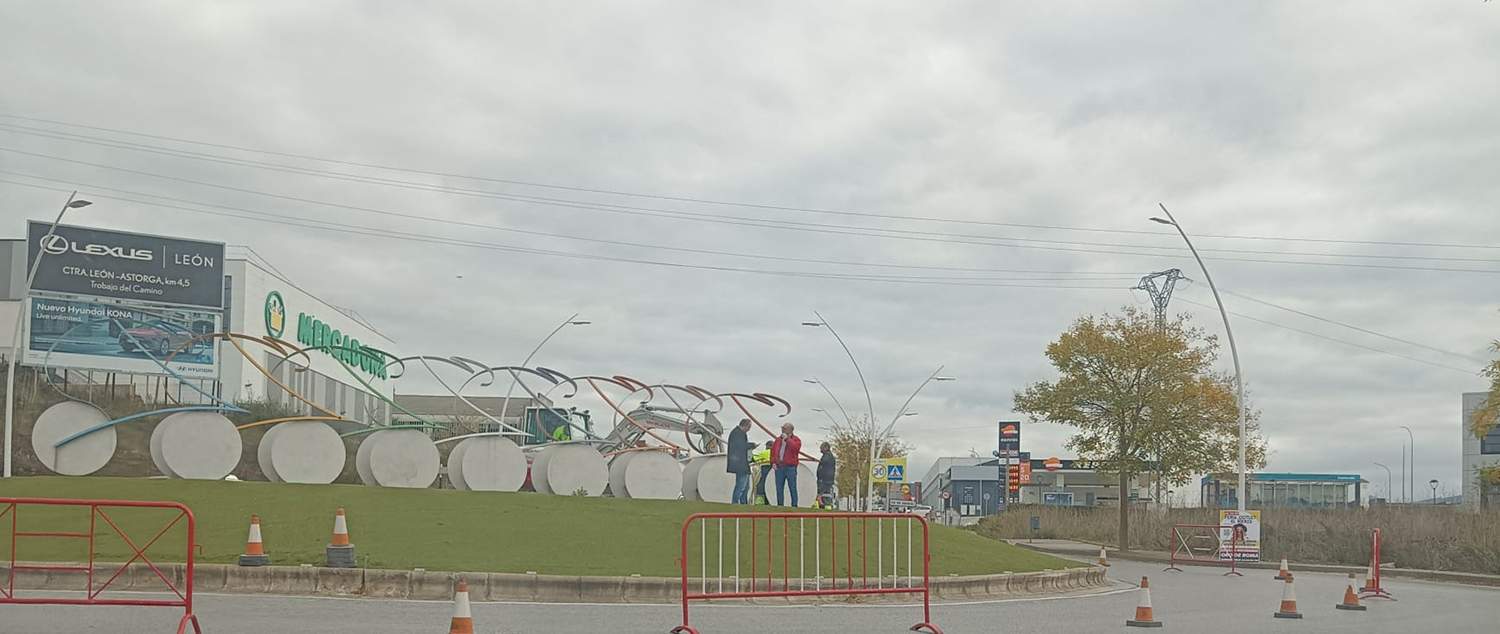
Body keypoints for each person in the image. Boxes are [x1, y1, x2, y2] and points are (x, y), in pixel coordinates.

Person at [771, 423, 802, 507]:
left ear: (791, 430)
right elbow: (773, 451)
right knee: (779, 488)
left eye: (784, 428)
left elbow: (796, 448)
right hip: (779, 466)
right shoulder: (778, 440)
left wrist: (787, 439)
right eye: (782, 428)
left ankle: (794, 505)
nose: (782, 430)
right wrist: (773, 462)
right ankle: (780, 505)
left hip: (790, 467)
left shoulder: (796, 440)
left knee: (792, 487)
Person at [725, 419, 753, 505]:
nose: (749, 429)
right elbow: (740, 446)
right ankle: (735, 502)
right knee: (741, 485)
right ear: (746, 426)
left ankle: (743, 503)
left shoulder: (737, 433)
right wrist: (751, 445)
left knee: (746, 486)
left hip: (741, 463)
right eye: (749, 427)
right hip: (740, 463)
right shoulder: (737, 433)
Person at [816, 442, 836, 509]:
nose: (820, 449)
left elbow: (824, 463)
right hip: (826, 479)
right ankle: (824, 506)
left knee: (823, 494)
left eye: (821, 447)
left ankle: (824, 506)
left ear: (826, 447)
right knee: (823, 494)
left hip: (825, 479)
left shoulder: (827, 456)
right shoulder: (828, 456)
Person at [752, 441, 773, 505]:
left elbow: (753, 459)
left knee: (760, 486)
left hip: (766, 469)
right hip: (774, 471)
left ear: (768, 446)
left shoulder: (766, 452)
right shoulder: (777, 453)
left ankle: (760, 502)